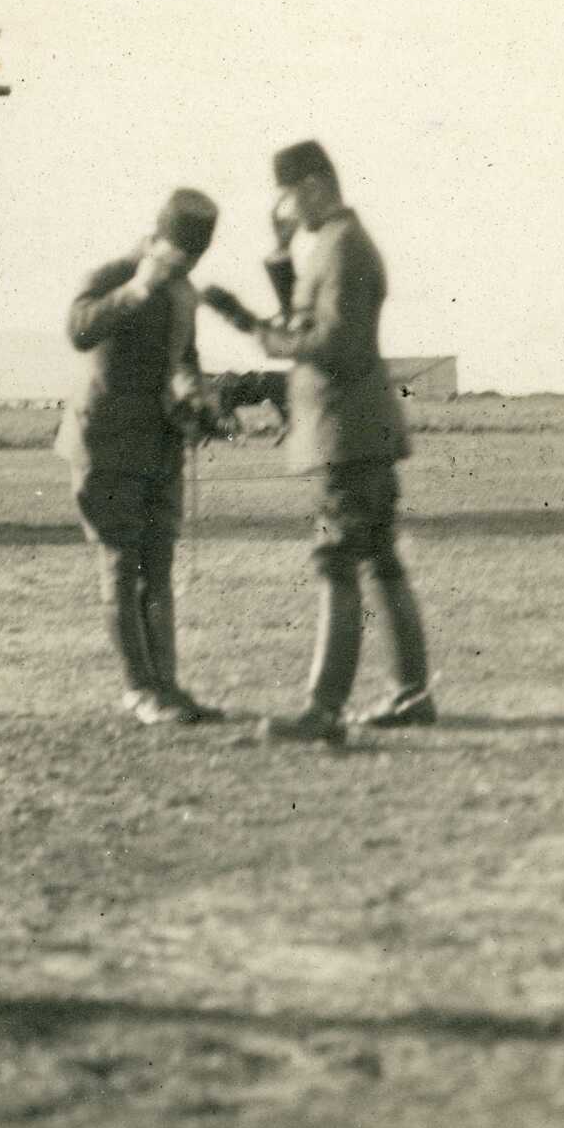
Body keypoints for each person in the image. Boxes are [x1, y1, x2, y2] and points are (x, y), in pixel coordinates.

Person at [213, 141, 431, 744]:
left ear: (312, 186)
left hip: (346, 432)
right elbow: (309, 319)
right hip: (359, 429)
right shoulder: (338, 244)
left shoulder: (340, 249)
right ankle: (412, 694)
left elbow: (333, 343)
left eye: (286, 197)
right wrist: (280, 257)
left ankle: (323, 710)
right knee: (378, 558)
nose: (283, 210)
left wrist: (264, 338)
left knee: (335, 559)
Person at [57, 189, 227, 727]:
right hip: (105, 445)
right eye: (178, 259)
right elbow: (79, 329)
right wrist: (135, 290)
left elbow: (185, 358)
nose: (184, 270)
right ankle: (139, 690)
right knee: (120, 566)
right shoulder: (111, 273)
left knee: (158, 568)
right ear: (155, 240)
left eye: (192, 262)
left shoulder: (183, 292)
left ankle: (167, 688)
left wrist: (197, 396)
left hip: (159, 446)